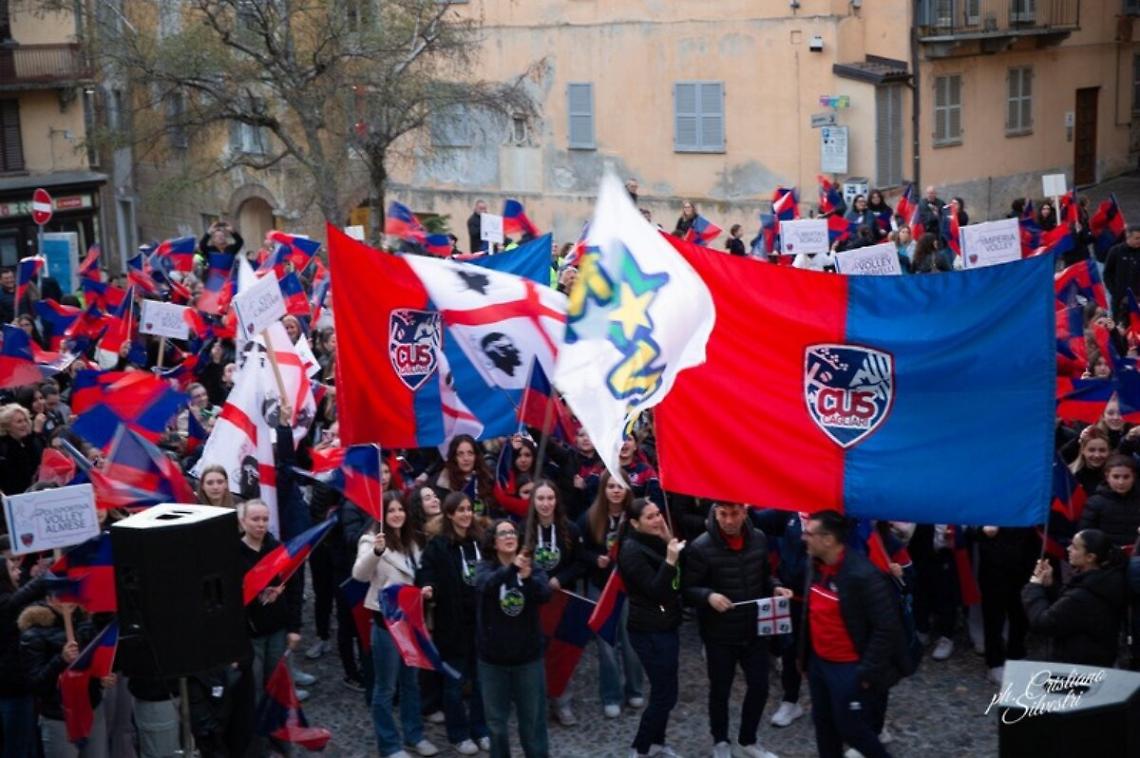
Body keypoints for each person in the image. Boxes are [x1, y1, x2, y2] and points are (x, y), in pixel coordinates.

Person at [682, 502, 788, 758]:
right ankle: (720, 740)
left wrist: (776, 586)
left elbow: (765, 575)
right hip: (720, 634)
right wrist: (708, 596)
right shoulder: (700, 546)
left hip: (754, 630)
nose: (729, 521)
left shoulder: (759, 538)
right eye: (723, 515)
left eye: (734, 514)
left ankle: (748, 739)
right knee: (720, 690)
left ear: (744, 512)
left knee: (760, 687)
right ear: (715, 514)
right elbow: (686, 589)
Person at [801, 510, 906, 758]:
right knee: (824, 727)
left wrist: (866, 671)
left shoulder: (863, 574)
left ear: (828, 539)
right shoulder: (815, 565)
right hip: (820, 664)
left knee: (853, 729)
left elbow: (886, 626)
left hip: (847, 668)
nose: (804, 538)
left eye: (809, 533)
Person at [353, 494, 440, 758]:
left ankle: (414, 735)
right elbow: (359, 574)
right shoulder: (371, 540)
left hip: (411, 621)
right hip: (386, 622)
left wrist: (425, 589)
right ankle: (389, 744)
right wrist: (376, 553)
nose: (397, 514)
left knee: (411, 683)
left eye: (400, 509)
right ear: (382, 514)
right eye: (391, 510)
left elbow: (420, 572)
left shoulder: (412, 540)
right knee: (386, 687)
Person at [418, 492, 490, 755]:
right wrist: (428, 588)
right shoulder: (437, 546)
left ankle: (480, 728)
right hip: (452, 625)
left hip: (480, 623)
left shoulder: (480, 541)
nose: (466, 514)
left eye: (469, 509)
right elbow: (427, 573)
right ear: (449, 514)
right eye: (460, 510)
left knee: (482, 680)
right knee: (454, 682)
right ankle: (458, 733)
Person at [475, 519, 553, 758]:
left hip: (527, 658)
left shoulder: (532, 566)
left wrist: (527, 578)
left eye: (512, 532)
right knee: (496, 725)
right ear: (494, 542)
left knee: (533, 723)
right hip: (493, 660)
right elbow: (486, 585)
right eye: (503, 533)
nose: (509, 536)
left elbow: (545, 594)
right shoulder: (484, 567)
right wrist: (511, 570)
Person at [618, 498, 685, 758]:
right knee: (663, 694)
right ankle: (641, 747)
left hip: (667, 624)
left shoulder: (656, 540)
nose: (658, 519)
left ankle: (657, 741)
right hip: (649, 629)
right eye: (650, 517)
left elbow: (681, 576)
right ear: (635, 523)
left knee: (668, 691)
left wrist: (670, 543)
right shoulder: (631, 550)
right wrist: (669, 560)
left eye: (658, 514)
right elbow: (656, 590)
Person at [577, 471, 645, 717]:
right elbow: (579, 552)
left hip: (629, 587)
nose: (616, 490)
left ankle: (635, 690)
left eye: (620, 486)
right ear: (603, 489)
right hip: (601, 586)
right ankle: (611, 694)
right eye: (611, 486)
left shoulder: (636, 517)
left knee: (631, 641)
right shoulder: (589, 518)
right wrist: (596, 559)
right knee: (606, 643)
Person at [237, 499, 303, 749]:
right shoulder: (233, 554)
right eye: (255, 519)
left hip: (277, 631)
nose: (261, 524)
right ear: (242, 521)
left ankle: (282, 740)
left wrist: (294, 627)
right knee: (254, 693)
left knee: (278, 689)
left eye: (265, 519)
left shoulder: (278, 549)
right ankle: (259, 746)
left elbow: (295, 590)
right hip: (250, 636)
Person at [521, 480, 585, 725]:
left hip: (561, 600)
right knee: (535, 652)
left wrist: (561, 578)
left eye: (550, 498)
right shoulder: (524, 529)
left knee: (561, 652)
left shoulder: (570, 529)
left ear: (556, 500)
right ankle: (535, 702)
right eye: (540, 499)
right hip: (534, 601)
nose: (545, 504)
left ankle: (562, 702)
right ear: (533, 502)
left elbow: (580, 563)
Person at [19, 597, 111, 758]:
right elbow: (36, 684)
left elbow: (91, 664)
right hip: (60, 717)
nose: (71, 599)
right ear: (51, 597)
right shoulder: (34, 634)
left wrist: (102, 678)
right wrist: (61, 659)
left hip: (91, 709)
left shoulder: (84, 623)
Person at [1022, 528, 1126, 666]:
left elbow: (1044, 622)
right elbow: (1067, 606)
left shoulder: (1084, 595)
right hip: (1097, 660)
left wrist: (1034, 586)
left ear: (1090, 557)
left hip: (1076, 667)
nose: (1068, 548)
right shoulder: (1105, 579)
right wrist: (1050, 585)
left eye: (1075, 547)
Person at [0, 535, 46, 758]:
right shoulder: (4, 603)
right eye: (12, 568)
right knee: (16, 746)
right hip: (12, 687)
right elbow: (18, 601)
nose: (19, 571)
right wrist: (46, 575)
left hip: (21, 684)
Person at [974, 525, 1037, 684]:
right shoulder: (989, 501)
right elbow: (970, 527)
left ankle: (1017, 653)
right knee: (993, 615)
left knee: (1020, 613)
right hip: (994, 566)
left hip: (1025, 563)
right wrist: (982, 530)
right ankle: (994, 662)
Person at [1078, 454, 1140, 547]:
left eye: (1126, 477)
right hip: (1107, 556)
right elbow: (1085, 535)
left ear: (1133, 478)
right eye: (1116, 477)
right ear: (1107, 477)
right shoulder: (1095, 502)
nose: (1121, 482)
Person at [0, 403, 46, 496]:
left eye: (25, 420)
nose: (24, 424)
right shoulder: (4, 447)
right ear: (7, 426)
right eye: (19, 422)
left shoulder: (27, 441)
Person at [1104, 225, 1140, 320]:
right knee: (1118, 326)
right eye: (1137, 238)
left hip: (1138, 299)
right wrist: (1114, 292)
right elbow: (1107, 273)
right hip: (1119, 300)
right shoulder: (1115, 251)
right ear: (1128, 237)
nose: (1139, 241)